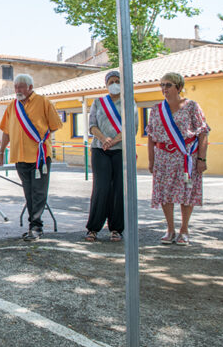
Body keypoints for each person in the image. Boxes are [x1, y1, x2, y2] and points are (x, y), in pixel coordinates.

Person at [0, 73, 62, 241]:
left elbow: (55, 125)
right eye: (16, 87)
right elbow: (6, 131)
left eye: (21, 87)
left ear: (30, 88)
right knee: (28, 193)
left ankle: (36, 227)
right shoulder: (12, 106)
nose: (18, 90)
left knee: (39, 193)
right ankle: (32, 225)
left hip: (39, 157)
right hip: (20, 157)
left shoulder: (43, 102)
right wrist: (1, 152)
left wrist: (40, 137)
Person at [147, 72, 210, 246]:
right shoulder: (156, 109)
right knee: (165, 194)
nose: (164, 89)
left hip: (186, 159)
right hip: (163, 159)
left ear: (179, 87)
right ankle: (170, 229)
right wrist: (151, 161)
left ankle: (184, 230)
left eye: (168, 85)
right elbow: (151, 136)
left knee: (186, 193)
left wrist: (202, 159)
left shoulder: (191, 107)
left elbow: (203, 133)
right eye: (162, 85)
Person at [84, 70, 135, 243]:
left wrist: (114, 141)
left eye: (117, 81)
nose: (114, 84)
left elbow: (132, 127)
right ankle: (93, 228)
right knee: (101, 187)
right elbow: (92, 125)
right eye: (111, 81)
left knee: (119, 189)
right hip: (100, 149)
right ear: (106, 84)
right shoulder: (98, 102)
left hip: (121, 149)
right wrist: (103, 139)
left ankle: (116, 229)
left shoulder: (129, 102)